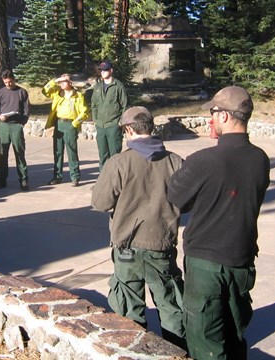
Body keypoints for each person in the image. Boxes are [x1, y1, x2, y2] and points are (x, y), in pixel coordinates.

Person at [167, 86, 270, 359]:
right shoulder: (261, 159)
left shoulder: (204, 161)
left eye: (213, 113)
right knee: (235, 336)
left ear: (224, 116)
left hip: (206, 266)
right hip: (242, 262)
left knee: (205, 343)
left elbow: (176, 197)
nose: (210, 119)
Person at [91, 106, 185, 350]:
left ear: (129, 129)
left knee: (128, 309)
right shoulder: (175, 162)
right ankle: (177, 352)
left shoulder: (119, 163)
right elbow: (189, 201)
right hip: (162, 245)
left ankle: (134, 352)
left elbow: (100, 203)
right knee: (171, 306)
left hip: (127, 248)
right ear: (150, 128)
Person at [42, 73, 89, 186]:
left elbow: (85, 112)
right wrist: (56, 79)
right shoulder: (58, 94)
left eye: (64, 81)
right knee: (57, 151)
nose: (61, 83)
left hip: (70, 125)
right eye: (60, 81)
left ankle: (75, 177)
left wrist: (74, 124)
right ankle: (57, 176)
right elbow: (45, 91)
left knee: (71, 151)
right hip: (59, 124)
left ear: (70, 82)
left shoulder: (78, 95)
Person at [0, 70, 30, 191]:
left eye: (10, 81)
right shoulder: (0, 92)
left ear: (14, 79)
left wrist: (21, 124)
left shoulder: (22, 92)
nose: (8, 84)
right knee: (3, 154)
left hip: (16, 126)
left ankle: (23, 180)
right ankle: (1, 180)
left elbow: (26, 111)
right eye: (5, 82)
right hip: (4, 126)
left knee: (19, 153)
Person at [90, 60, 128, 172]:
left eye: (105, 70)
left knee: (115, 156)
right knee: (102, 156)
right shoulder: (97, 87)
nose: (102, 72)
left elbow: (125, 105)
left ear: (111, 70)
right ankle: (103, 181)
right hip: (101, 126)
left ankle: (115, 182)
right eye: (101, 70)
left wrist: (120, 123)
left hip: (113, 126)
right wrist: (95, 120)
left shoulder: (118, 86)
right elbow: (94, 105)